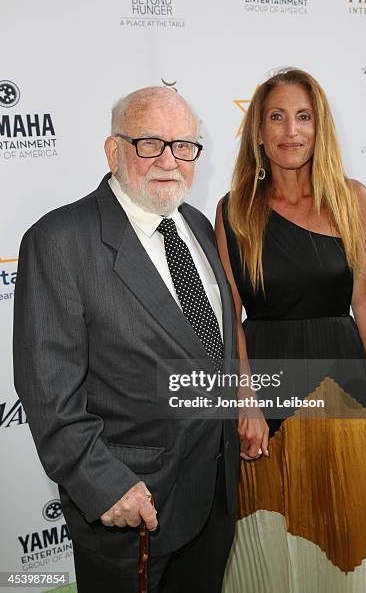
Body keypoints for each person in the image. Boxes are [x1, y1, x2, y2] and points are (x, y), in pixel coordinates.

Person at [13, 86, 239, 593]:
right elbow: (49, 394)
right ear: (114, 150)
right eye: (149, 143)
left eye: (184, 146)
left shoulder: (197, 226)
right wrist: (107, 486)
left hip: (212, 496)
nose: (169, 160)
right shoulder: (58, 241)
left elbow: (211, 349)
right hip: (132, 507)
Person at [215, 68, 366, 592]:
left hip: (341, 380)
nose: (290, 131)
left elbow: (365, 296)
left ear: (319, 127)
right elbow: (231, 317)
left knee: (341, 527)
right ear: (259, 131)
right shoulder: (234, 210)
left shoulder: (351, 198)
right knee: (268, 529)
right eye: (276, 117)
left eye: (303, 116)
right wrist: (244, 400)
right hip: (267, 390)